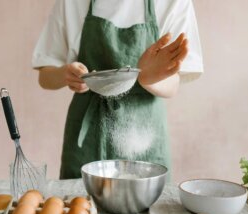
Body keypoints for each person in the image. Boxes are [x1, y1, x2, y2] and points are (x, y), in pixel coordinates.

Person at [32, 0, 203, 179]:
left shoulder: (173, 3)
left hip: (145, 135)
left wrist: (148, 79)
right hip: (87, 137)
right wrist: (65, 74)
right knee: (79, 204)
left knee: (149, 203)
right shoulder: (71, 3)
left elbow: (173, 84)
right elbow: (45, 77)